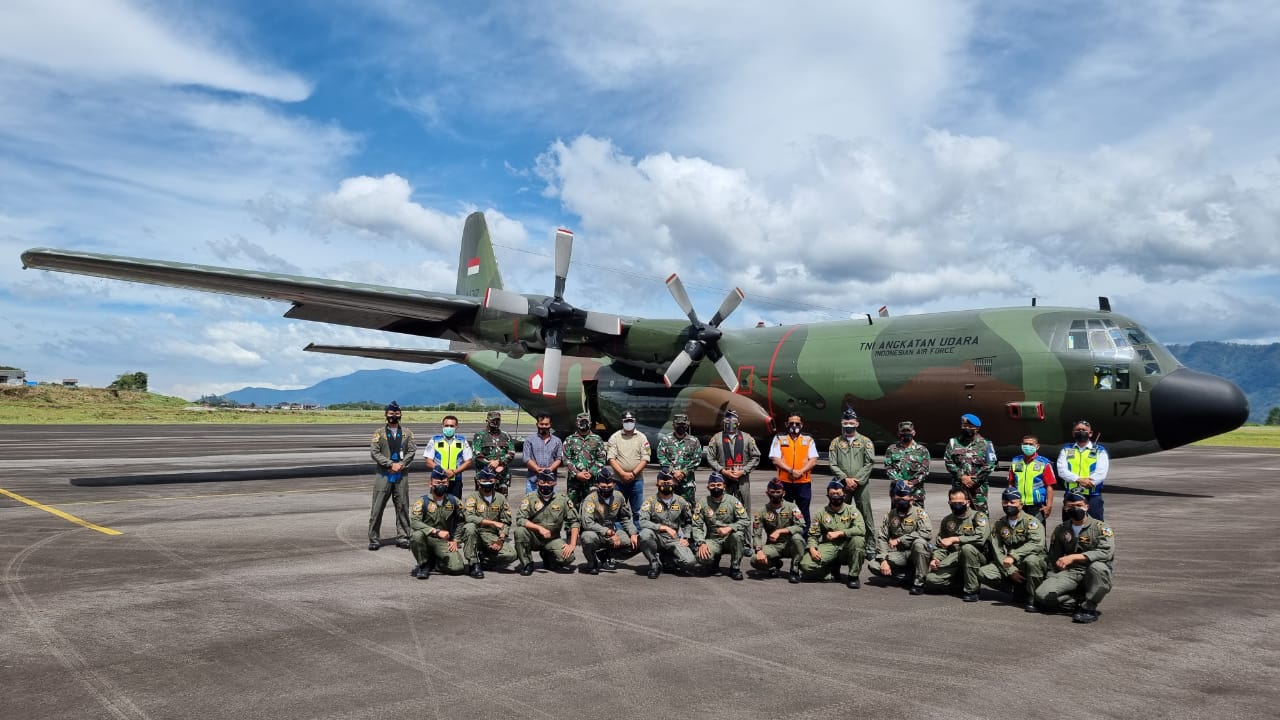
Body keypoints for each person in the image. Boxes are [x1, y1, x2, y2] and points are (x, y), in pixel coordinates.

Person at [1034, 490, 1115, 623]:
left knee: (1098, 567)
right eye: (1070, 506)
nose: (1075, 509)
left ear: (1087, 506)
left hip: (1093, 571)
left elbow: (1106, 552)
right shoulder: (1061, 529)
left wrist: (1073, 557)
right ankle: (1077, 600)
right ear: (1065, 508)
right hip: (1072, 572)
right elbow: (1054, 558)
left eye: (1079, 505)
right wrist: (1051, 580)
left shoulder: (1101, 528)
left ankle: (1089, 607)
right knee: (1041, 595)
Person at [979, 487, 1048, 611]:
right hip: (1012, 564)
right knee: (983, 572)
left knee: (1031, 560)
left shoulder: (1032, 522)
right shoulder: (1000, 524)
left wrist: (1014, 555)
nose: (1008, 505)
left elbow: (1037, 543)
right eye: (1005, 502)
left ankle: (1033, 596)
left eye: (1012, 502)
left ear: (1020, 505)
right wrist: (1010, 570)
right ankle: (1017, 590)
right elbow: (997, 550)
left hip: (1033, 562)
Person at [923, 488, 990, 601]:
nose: (957, 505)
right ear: (949, 503)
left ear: (967, 502)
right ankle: (960, 581)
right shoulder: (947, 520)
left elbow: (981, 538)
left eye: (960, 503)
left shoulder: (978, 517)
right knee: (931, 580)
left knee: (967, 548)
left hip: (977, 558)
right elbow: (941, 544)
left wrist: (955, 539)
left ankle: (972, 590)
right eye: (953, 503)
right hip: (954, 558)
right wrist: (936, 558)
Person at [829, 408, 879, 562]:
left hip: (860, 485)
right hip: (842, 485)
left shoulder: (865, 441)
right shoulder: (836, 442)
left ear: (857, 423)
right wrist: (845, 479)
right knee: (840, 515)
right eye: (846, 422)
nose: (848, 425)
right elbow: (832, 464)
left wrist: (856, 480)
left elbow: (869, 462)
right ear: (842, 423)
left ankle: (870, 547)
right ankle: (840, 545)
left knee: (866, 515)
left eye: (851, 422)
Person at [796, 479, 866, 587]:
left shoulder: (852, 510)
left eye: (838, 493)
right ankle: (830, 572)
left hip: (847, 547)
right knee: (805, 565)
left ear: (844, 494)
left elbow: (861, 529)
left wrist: (841, 533)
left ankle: (853, 576)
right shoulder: (821, 513)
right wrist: (812, 548)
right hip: (829, 546)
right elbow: (813, 535)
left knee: (858, 540)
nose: (836, 496)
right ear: (828, 495)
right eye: (833, 493)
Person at [369, 401, 417, 551]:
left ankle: (403, 536)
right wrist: (391, 464)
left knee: (402, 506)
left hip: (401, 474)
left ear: (400, 414)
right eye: (391, 413)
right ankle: (374, 538)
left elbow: (412, 451)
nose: (394, 416)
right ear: (386, 415)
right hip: (384, 474)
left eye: (396, 413)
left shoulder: (407, 433)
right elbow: (374, 452)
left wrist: (401, 465)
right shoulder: (379, 433)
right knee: (377, 508)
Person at [512, 470, 580, 575]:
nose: (546, 485)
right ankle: (527, 563)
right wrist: (539, 528)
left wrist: (572, 544)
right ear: (537, 483)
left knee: (568, 558)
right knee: (519, 532)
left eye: (549, 482)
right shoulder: (529, 498)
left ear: (555, 483)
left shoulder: (562, 499)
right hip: (533, 538)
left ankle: (548, 556)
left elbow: (574, 521)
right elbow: (520, 519)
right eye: (542, 482)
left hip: (552, 539)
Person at [873, 481, 933, 595]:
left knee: (919, 543)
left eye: (904, 500)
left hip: (917, 553)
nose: (900, 503)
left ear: (911, 500)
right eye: (897, 500)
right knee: (874, 565)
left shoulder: (919, 513)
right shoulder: (890, 515)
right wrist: (883, 560)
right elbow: (882, 537)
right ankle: (907, 575)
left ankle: (919, 582)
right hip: (902, 554)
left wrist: (901, 539)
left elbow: (926, 533)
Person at [636, 468, 697, 579]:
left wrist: (687, 538)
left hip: (673, 540)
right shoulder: (650, 501)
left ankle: (668, 559)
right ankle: (654, 563)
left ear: (673, 483)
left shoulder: (681, 501)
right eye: (663, 483)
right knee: (644, 534)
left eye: (668, 483)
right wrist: (663, 527)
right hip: (656, 538)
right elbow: (643, 522)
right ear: (657, 484)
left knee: (690, 562)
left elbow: (689, 522)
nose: (666, 485)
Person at [458, 466, 516, 578]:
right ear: (478, 481)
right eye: (484, 481)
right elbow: (469, 517)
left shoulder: (501, 498)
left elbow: (506, 522)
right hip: (476, 533)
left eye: (491, 480)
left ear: (495, 481)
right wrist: (492, 523)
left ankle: (485, 560)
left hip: (491, 535)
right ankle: (473, 563)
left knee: (511, 555)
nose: (487, 483)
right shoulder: (472, 497)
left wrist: (501, 539)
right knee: (470, 527)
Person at [407, 468, 466, 579]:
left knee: (457, 568)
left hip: (444, 541)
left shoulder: (453, 501)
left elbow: (461, 521)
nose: (441, 485)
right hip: (426, 538)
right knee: (416, 536)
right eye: (437, 483)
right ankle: (423, 565)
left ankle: (437, 562)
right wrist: (436, 531)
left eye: (444, 482)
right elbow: (414, 522)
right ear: (430, 484)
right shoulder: (422, 502)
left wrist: (456, 540)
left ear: (448, 483)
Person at [578, 469, 639, 575]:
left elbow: (625, 518)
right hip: (595, 533)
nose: (606, 490)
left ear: (614, 484)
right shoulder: (590, 499)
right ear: (597, 485)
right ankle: (592, 563)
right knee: (587, 538)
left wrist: (633, 533)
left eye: (610, 487)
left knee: (639, 542)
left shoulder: (618, 496)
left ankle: (610, 557)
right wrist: (608, 532)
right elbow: (587, 523)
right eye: (603, 487)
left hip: (613, 531)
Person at [691, 471, 750, 580]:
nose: (716, 487)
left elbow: (745, 520)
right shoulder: (703, 502)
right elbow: (696, 526)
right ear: (708, 487)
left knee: (738, 536)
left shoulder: (733, 501)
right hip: (713, 540)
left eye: (718, 485)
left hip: (729, 538)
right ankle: (714, 560)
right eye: (712, 485)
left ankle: (735, 568)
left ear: (724, 486)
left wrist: (730, 528)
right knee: (701, 557)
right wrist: (701, 543)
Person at [704, 409, 761, 518]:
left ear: (738, 423)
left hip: (742, 480)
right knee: (723, 509)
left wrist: (743, 471)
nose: (730, 422)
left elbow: (756, 456)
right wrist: (723, 471)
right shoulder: (716, 438)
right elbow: (710, 457)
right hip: (723, 479)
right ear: (723, 422)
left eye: (733, 420)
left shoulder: (747, 438)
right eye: (727, 419)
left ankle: (745, 534)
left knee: (744, 509)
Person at [750, 478, 808, 582]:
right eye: (772, 492)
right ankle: (774, 565)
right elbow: (757, 534)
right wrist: (758, 550)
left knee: (798, 538)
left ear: (784, 493)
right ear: (767, 493)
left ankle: (794, 569)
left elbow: (801, 525)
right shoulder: (762, 511)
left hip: (790, 544)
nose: (775, 495)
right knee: (755, 560)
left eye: (778, 492)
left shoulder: (792, 507)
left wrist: (780, 531)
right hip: (774, 546)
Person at [769, 413, 819, 529]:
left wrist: (801, 471)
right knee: (784, 512)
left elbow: (813, 460)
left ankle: (804, 540)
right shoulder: (779, 438)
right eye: (791, 423)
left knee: (804, 512)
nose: (794, 425)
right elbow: (775, 460)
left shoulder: (808, 439)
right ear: (786, 424)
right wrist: (790, 471)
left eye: (797, 423)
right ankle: (784, 539)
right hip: (784, 482)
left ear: (801, 425)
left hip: (803, 482)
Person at [944, 413, 998, 514]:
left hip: (978, 488)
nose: (966, 428)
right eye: (964, 426)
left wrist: (975, 479)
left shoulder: (986, 444)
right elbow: (948, 461)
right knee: (958, 514)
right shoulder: (953, 442)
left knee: (980, 515)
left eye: (970, 427)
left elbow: (991, 464)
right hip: (959, 487)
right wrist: (962, 477)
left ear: (977, 428)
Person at [1056, 419, 1109, 520]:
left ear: (1090, 433)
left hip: (1092, 496)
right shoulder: (1066, 450)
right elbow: (1062, 471)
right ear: (1073, 433)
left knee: (1096, 526)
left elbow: (1101, 473)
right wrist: (1078, 479)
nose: (1081, 432)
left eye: (1084, 430)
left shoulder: (1099, 451)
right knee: (1069, 526)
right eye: (1078, 430)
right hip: (1071, 496)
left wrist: (1086, 484)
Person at [606, 410, 651, 525]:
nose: (629, 422)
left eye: (631, 420)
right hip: (618, 480)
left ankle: (638, 536)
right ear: (622, 422)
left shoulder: (642, 437)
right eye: (626, 420)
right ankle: (621, 536)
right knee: (616, 510)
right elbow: (611, 458)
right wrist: (622, 474)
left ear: (635, 421)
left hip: (636, 480)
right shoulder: (615, 437)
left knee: (638, 511)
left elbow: (645, 458)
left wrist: (633, 474)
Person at [1007, 434, 1057, 521]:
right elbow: (1011, 483)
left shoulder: (1044, 463)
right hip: (1018, 504)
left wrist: (1048, 506)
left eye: (1031, 444)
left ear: (1037, 446)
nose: (1028, 446)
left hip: (1036, 505)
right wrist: (1009, 500)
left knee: (1036, 531)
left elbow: (1050, 486)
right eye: (1025, 444)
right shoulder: (1016, 461)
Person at [563, 411, 607, 507]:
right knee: (572, 508)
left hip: (592, 481)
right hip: (574, 482)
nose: (584, 424)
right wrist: (577, 473)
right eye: (581, 421)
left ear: (590, 423)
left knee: (592, 507)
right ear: (577, 423)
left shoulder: (597, 439)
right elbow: (566, 460)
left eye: (586, 421)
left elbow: (601, 459)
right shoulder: (569, 440)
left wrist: (591, 473)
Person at [424, 414, 473, 499]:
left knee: (455, 507)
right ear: (442, 426)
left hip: (455, 480)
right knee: (435, 506)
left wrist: (454, 472)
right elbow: (428, 461)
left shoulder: (462, 440)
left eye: (451, 426)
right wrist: (443, 471)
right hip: (438, 480)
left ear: (456, 427)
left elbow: (468, 461)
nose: (449, 428)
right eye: (446, 425)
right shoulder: (434, 440)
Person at [657, 413, 703, 504]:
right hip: (670, 482)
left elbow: (696, 460)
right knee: (668, 509)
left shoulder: (694, 441)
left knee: (688, 511)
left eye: (683, 424)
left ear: (687, 425)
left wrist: (683, 472)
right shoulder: (666, 440)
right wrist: (673, 472)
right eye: (678, 424)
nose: (681, 426)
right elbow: (661, 458)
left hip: (687, 484)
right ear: (673, 425)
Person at [884, 420, 931, 507]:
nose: (906, 433)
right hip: (898, 493)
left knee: (917, 518)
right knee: (896, 518)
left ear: (913, 433)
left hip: (916, 493)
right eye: (903, 431)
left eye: (908, 431)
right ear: (898, 433)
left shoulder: (922, 450)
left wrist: (911, 483)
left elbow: (924, 470)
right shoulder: (891, 449)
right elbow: (888, 468)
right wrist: (900, 482)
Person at [471, 410, 516, 496]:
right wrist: (491, 464)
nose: (495, 422)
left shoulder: (506, 435)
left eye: (498, 420)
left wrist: (499, 462)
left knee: (502, 501)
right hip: (485, 475)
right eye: (493, 420)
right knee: (483, 501)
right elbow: (477, 453)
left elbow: (511, 452)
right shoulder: (479, 435)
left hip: (502, 475)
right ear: (487, 420)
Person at [522, 413, 563, 495]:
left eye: (546, 424)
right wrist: (537, 469)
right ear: (537, 424)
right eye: (541, 424)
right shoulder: (529, 440)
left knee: (552, 506)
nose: (544, 426)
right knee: (531, 505)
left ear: (550, 425)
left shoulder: (557, 441)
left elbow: (559, 459)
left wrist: (550, 469)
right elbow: (526, 458)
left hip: (551, 481)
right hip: (533, 481)